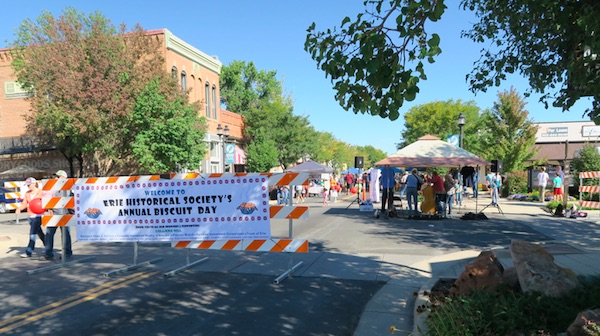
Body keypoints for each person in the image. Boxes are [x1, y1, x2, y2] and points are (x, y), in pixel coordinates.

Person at [42, 170, 73, 260]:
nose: (56, 178)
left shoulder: (67, 187)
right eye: (55, 177)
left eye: (58, 177)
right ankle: (48, 253)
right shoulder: (53, 187)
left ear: (63, 178)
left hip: (64, 214)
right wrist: (50, 209)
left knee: (65, 234)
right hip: (54, 213)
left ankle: (67, 252)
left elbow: (66, 200)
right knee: (49, 233)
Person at [16, 177, 46, 258]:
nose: (28, 186)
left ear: (34, 184)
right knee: (39, 232)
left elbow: (46, 202)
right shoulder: (27, 193)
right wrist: (19, 209)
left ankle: (29, 251)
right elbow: (24, 203)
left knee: (32, 233)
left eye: (29, 185)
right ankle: (48, 245)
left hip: (38, 215)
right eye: (27, 185)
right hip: (30, 215)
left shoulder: (41, 192)